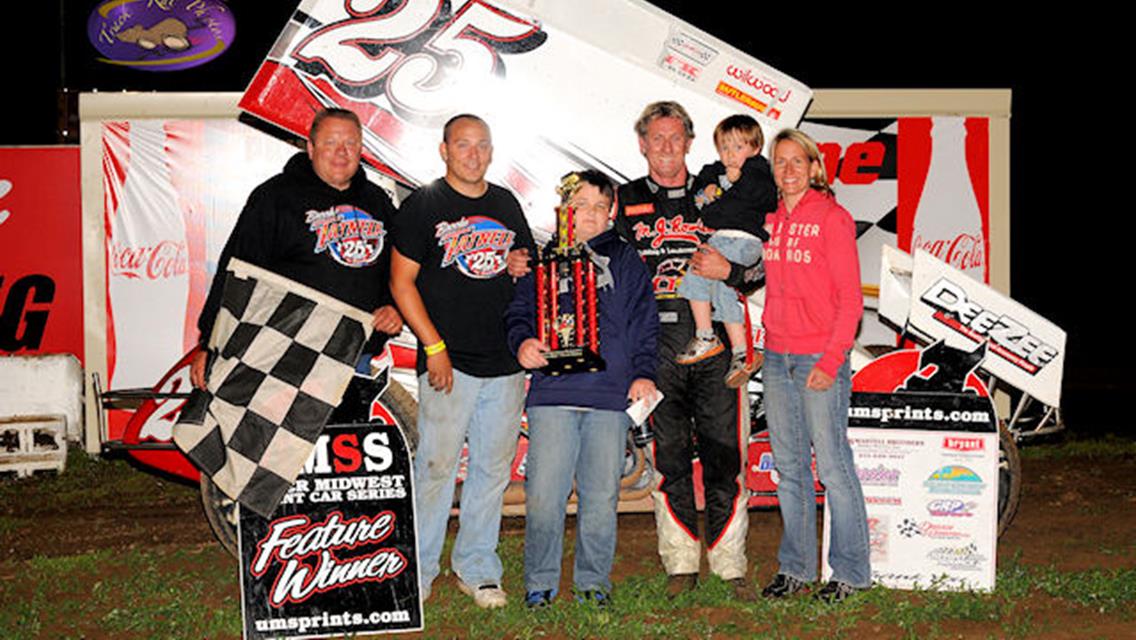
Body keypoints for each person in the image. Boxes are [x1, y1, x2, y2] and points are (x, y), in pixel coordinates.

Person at [613, 101, 759, 600]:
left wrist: (733, 274)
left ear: (691, 143)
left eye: (677, 138)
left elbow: (763, 261)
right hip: (654, 346)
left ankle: (730, 562)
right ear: (642, 143)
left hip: (717, 342)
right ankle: (680, 561)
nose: (667, 147)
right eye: (657, 138)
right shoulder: (622, 198)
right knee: (666, 456)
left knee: (725, 456)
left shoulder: (717, 189)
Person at [389, 114, 535, 609]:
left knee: (492, 472)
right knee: (434, 467)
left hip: (505, 363)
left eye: (482, 145)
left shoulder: (505, 202)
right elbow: (400, 282)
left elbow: (523, 265)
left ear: (492, 152)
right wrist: (433, 346)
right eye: (463, 145)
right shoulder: (423, 204)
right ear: (444, 150)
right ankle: (421, 569)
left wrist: (520, 265)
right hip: (448, 363)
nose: (473, 154)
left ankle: (477, 568)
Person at [504, 170, 659, 608]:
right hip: (553, 394)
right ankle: (540, 583)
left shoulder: (627, 261)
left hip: (610, 395)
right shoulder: (540, 258)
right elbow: (518, 313)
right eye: (579, 205)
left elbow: (644, 323)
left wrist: (643, 373)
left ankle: (593, 583)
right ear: (564, 211)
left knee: (601, 496)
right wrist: (523, 344)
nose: (589, 214)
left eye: (598, 205)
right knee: (544, 496)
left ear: (612, 212)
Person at [190, 107, 403, 391]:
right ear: (311, 147)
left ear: (360, 149)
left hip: (354, 355)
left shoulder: (378, 202)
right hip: (285, 355)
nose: (341, 152)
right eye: (330, 143)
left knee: (346, 436)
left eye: (350, 143)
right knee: (278, 436)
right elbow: (237, 272)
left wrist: (393, 306)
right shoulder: (274, 197)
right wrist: (209, 343)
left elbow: (402, 269)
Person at [758, 128, 870, 603]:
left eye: (797, 161)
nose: (788, 170)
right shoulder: (765, 219)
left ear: (813, 166)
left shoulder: (833, 217)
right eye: (779, 162)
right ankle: (796, 569)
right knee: (789, 467)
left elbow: (851, 302)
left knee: (833, 467)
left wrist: (831, 359)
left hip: (817, 358)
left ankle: (850, 572)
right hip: (776, 356)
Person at [675, 114, 776, 388]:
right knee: (701, 281)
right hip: (720, 238)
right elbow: (698, 203)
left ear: (755, 148)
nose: (730, 155)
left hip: (745, 240)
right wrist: (706, 193)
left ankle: (717, 340)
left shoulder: (759, 171)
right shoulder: (712, 171)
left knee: (721, 286)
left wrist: (735, 182)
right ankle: (731, 347)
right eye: (725, 148)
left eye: (738, 147)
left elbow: (767, 199)